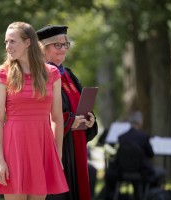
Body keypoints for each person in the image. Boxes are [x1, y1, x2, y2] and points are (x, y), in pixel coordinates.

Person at [0, 21, 69, 200]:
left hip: (42, 146)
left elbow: (56, 118)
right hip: (13, 148)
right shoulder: (2, 74)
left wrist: (57, 155)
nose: (8, 47)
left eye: (12, 41)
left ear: (28, 42)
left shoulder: (52, 74)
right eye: (6, 42)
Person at [37, 25, 98, 200]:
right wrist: (71, 122)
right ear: (43, 47)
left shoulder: (68, 75)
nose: (63, 49)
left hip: (75, 145)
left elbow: (79, 106)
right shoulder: (40, 76)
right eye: (58, 45)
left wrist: (90, 119)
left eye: (66, 44)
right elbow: (39, 114)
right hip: (56, 148)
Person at [102, 111, 165, 200]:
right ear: (140, 122)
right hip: (141, 172)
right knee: (160, 172)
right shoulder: (144, 137)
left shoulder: (122, 137)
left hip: (123, 172)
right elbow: (151, 154)